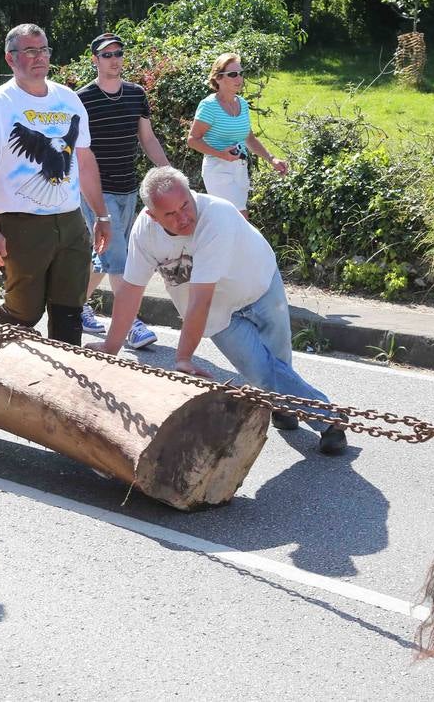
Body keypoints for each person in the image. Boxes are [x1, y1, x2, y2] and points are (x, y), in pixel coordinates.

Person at [92, 166, 347, 455]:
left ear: (191, 193)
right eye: (171, 214)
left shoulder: (217, 216)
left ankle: (283, 403)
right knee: (261, 372)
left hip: (259, 286)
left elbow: (200, 299)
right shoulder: (145, 232)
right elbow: (131, 292)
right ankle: (331, 420)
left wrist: (184, 356)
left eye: (185, 205)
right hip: (216, 311)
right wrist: (111, 348)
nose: (183, 218)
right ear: (152, 215)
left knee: (279, 362)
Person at [0, 23, 112, 345]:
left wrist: (101, 215)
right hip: (20, 225)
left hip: (71, 222)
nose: (39, 57)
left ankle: (64, 387)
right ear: (10, 59)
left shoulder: (69, 99)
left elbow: (84, 162)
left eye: (43, 49)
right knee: (24, 313)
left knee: (69, 311)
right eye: (30, 51)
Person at [75, 32, 170, 349]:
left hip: (128, 189)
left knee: (104, 255)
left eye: (118, 53)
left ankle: (75, 308)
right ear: (95, 60)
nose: (114, 59)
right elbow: (74, 150)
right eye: (107, 54)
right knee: (119, 257)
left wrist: (167, 172)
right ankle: (131, 324)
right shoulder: (81, 99)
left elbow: (148, 138)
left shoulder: (136, 94)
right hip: (96, 193)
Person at [186, 52, 286, 216]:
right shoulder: (209, 106)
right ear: (218, 78)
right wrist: (221, 154)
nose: (239, 79)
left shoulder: (242, 104)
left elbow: (250, 139)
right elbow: (192, 140)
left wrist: (272, 159)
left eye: (240, 74)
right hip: (217, 169)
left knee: (229, 223)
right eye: (232, 74)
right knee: (239, 218)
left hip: (240, 169)